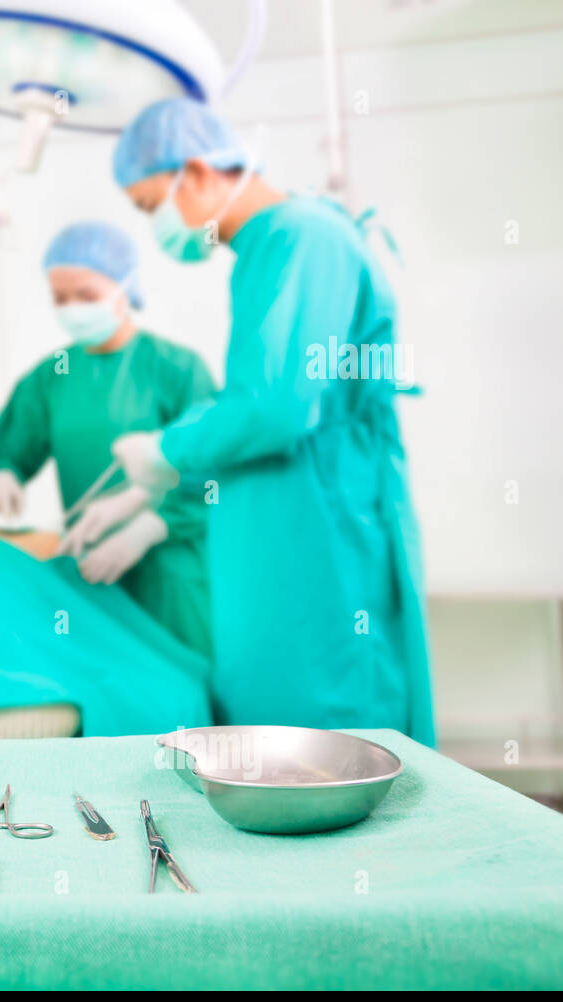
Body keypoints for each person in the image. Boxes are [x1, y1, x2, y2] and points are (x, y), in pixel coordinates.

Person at [86, 97, 433, 744]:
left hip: (320, 539)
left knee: (334, 738)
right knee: (280, 738)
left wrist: (167, 448)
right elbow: (256, 402)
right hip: (283, 534)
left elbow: (275, 406)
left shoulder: (300, 236)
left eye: (147, 203)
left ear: (194, 171)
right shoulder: (271, 247)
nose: (153, 224)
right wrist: (156, 487)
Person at [0, 221, 217, 656]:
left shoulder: (176, 368)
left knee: (185, 696)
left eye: (85, 295)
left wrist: (147, 527)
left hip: (171, 572)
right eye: (60, 298)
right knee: (111, 695)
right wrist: (0, 474)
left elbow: (216, 474)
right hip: (88, 571)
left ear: (125, 287)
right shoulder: (54, 377)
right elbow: (4, 447)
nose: (72, 308)